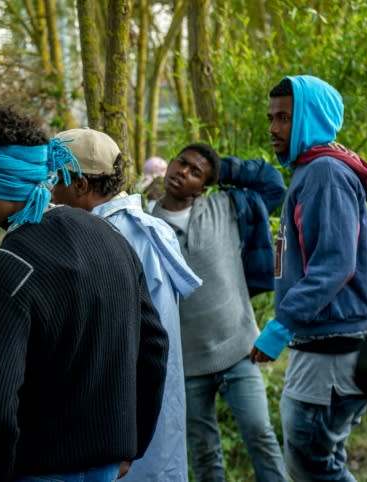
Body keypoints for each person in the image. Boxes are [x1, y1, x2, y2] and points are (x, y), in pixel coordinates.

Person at [0, 107, 169, 482]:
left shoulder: (7, 266)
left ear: (2, 181)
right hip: (107, 468)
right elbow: (153, 348)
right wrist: (130, 446)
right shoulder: (108, 238)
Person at [51, 128, 201, 482]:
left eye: (56, 179)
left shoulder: (106, 238)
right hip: (149, 407)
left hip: (121, 417)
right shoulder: (151, 228)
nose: (51, 191)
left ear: (81, 186)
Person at [251, 74, 367, 481]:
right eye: (271, 117)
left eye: (284, 118)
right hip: (324, 344)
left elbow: (335, 264)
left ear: (311, 118)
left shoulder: (324, 172)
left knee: (313, 462)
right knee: (319, 461)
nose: (273, 128)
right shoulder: (313, 170)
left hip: (332, 348)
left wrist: (279, 326)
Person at [150, 142, 287, 482]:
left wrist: (219, 166)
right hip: (186, 363)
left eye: (195, 172)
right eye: (182, 163)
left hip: (238, 349)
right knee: (204, 451)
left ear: (204, 187)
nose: (183, 171)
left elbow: (273, 184)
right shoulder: (147, 222)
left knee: (260, 434)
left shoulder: (227, 207)